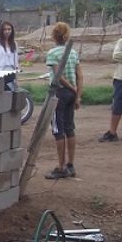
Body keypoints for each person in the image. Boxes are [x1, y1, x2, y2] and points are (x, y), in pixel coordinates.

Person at [44, 22, 83, 180]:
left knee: (58, 130)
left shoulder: (52, 53)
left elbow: (58, 75)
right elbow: (80, 76)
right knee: (69, 128)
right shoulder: (73, 53)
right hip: (71, 95)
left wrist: (72, 89)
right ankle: (70, 165)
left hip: (58, 93)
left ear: (54, 36)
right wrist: (77, 94)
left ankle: (61, 167)